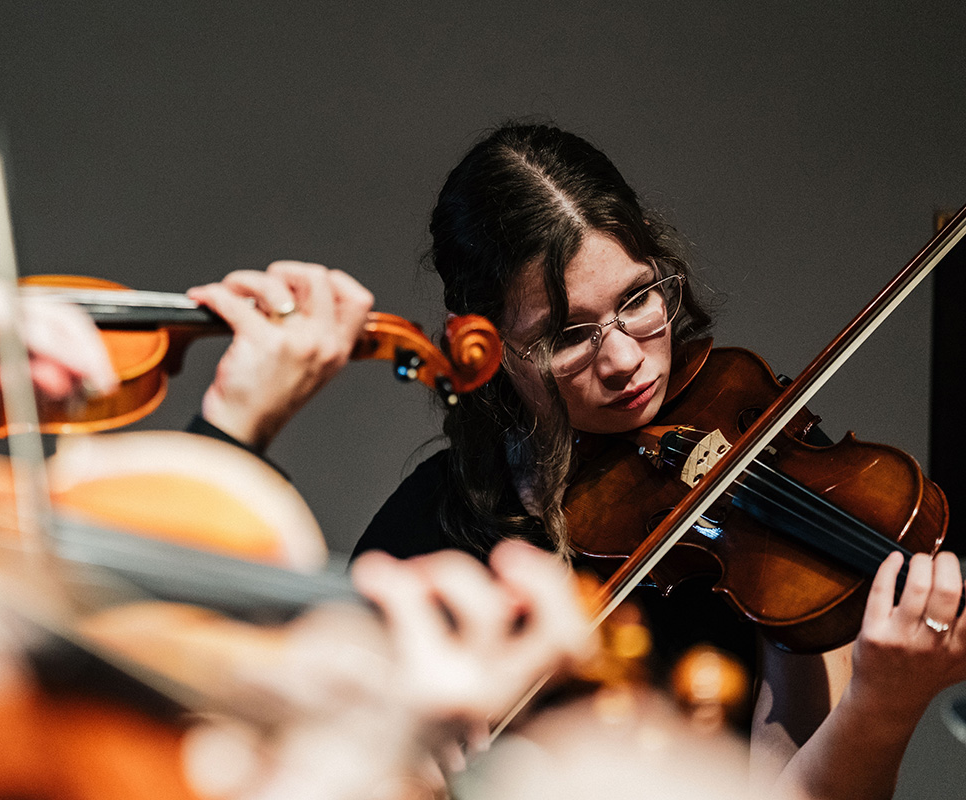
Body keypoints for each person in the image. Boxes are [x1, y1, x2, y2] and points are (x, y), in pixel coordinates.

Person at [352, 122, 966, 800]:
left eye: (638, 298)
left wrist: (882, 706)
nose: (623, 360)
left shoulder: (772, 508)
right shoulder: (423, 545)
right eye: (565, 335)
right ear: (486, 346)